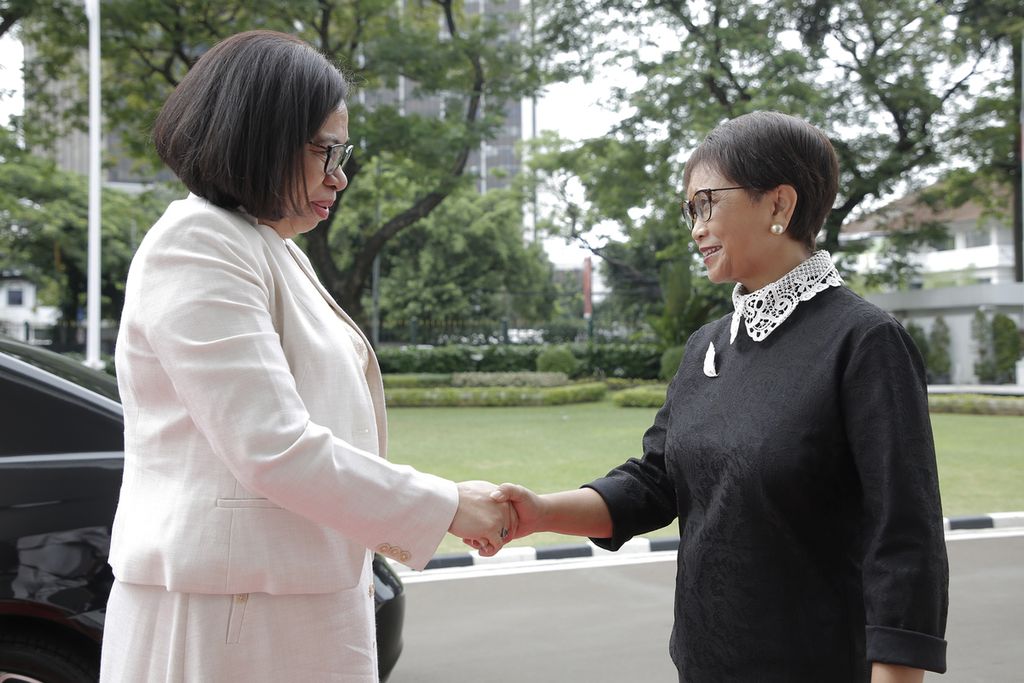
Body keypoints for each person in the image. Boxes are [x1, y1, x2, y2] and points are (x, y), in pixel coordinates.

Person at [101, 30, 512, 681]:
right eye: (326, 151)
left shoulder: (268, 245)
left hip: (288, 599)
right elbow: (273, 445)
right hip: (232, 618)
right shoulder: (199, 243)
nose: (340, 177)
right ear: (259, 135)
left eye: (342, 153)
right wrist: (448, 504)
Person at [490, 111, 949, 682]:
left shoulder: (864, 341)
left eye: (707, 202)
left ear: (779, 205)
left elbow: (904, 535)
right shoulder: (708, 345)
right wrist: (540, 512)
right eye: (691, 209)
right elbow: (655, 482)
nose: (696, 226)